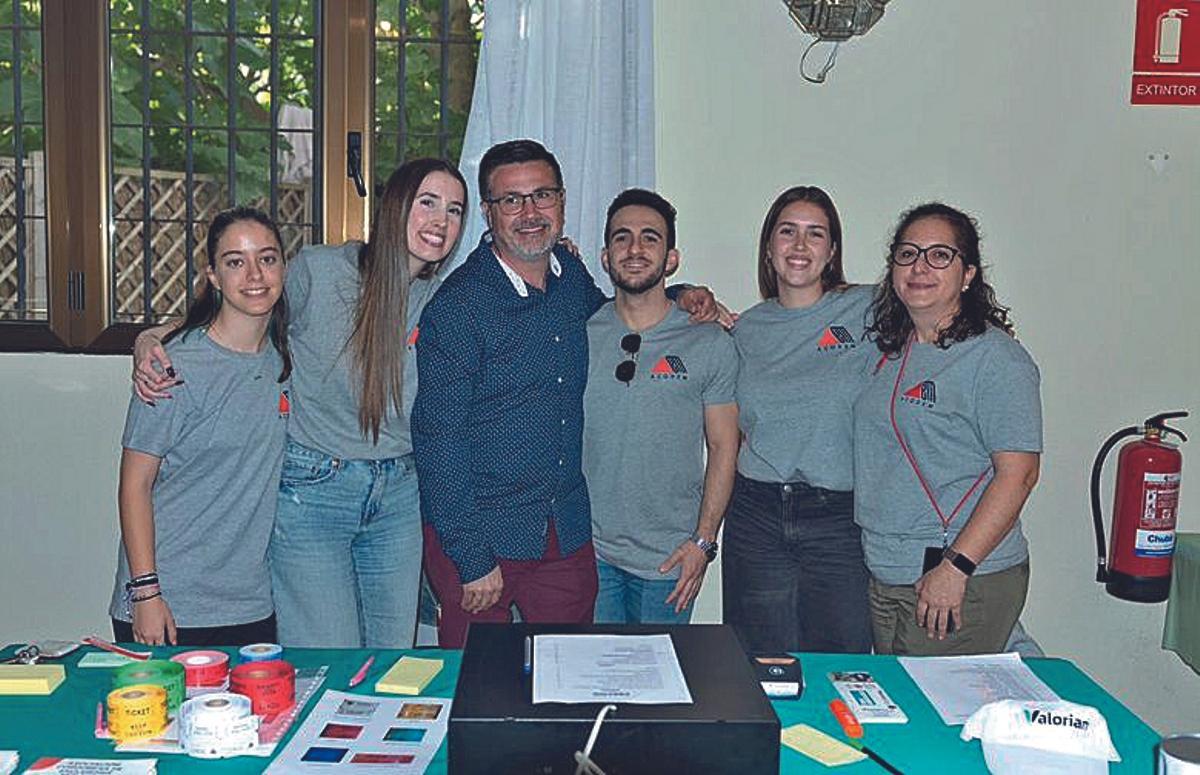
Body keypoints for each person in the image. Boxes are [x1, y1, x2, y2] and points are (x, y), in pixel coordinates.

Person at [131, 158, 468, 648]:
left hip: (399, 497)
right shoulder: (323, 270)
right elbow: (246, 302)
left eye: (454, 210)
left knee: (391, 663)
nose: (440, 221)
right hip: (314, 494)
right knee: (328, 659)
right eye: (427, 203)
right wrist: (153, 337)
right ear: (395, 206)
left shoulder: (443, 300)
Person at [412, 140, 720, 647]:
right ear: (488, 213)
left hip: (564, 534)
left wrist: (678, 294)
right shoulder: (457, 308)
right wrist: (471, 558)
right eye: (511, 200)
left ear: (562, 201)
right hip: (481, 535)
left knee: (572, 680)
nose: (530, 212)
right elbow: (437, 442)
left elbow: (621, 315)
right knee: (478, 689)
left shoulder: (571, 279)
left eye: (542, 195)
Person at [854, 202, 1041, 656]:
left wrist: (956, 568)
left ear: (969, 273)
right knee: (900, 711)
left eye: (940, 255)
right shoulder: (888, 350)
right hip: (887, 572)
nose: (920, 267)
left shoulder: (996, 359)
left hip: (954, 576)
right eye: (907, 254)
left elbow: (1019, 475)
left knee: (934, 717)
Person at [110, 207, 290, 646]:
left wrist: (151, 334)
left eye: (267, 259)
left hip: (251, 605)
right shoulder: (172, 368)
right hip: (170, 601)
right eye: (235, 261)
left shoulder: (287, 359)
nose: (254, 275)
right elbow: (134, 486)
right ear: (212, 275)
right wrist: (146, 593)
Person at [722, 186, 875, 654]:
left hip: (840, 518)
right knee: (759, 664)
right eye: (788, 232)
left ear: (832, 252)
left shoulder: (870, 309)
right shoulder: (746, 328)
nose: (800, 246)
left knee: (843, 665)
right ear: (769, 248)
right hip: (756, 514)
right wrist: (688, 294)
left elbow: (938, 303)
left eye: (815, 234)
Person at [584, 189, 739, 624]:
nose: (635, 249)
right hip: (590, 557)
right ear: (605, 255)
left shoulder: (708, 341)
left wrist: (704, 543)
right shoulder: (581, 333)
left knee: (660, 685)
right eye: (622, 238)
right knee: (593, 683)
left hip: (670, 561)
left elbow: (725, 447)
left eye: (650, 238)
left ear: (671, 258)